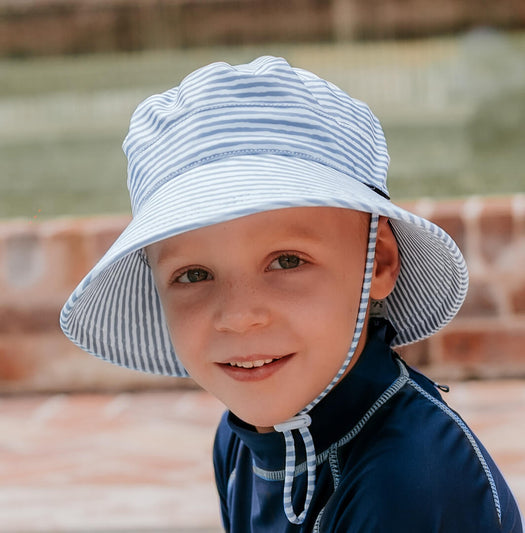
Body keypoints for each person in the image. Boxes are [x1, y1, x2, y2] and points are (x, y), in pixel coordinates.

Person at [60, 56, 523, 532]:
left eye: (287, 261)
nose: (239, 317)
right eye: (194, 274)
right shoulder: (241, 442)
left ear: (378, 261)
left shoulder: (408, 483)